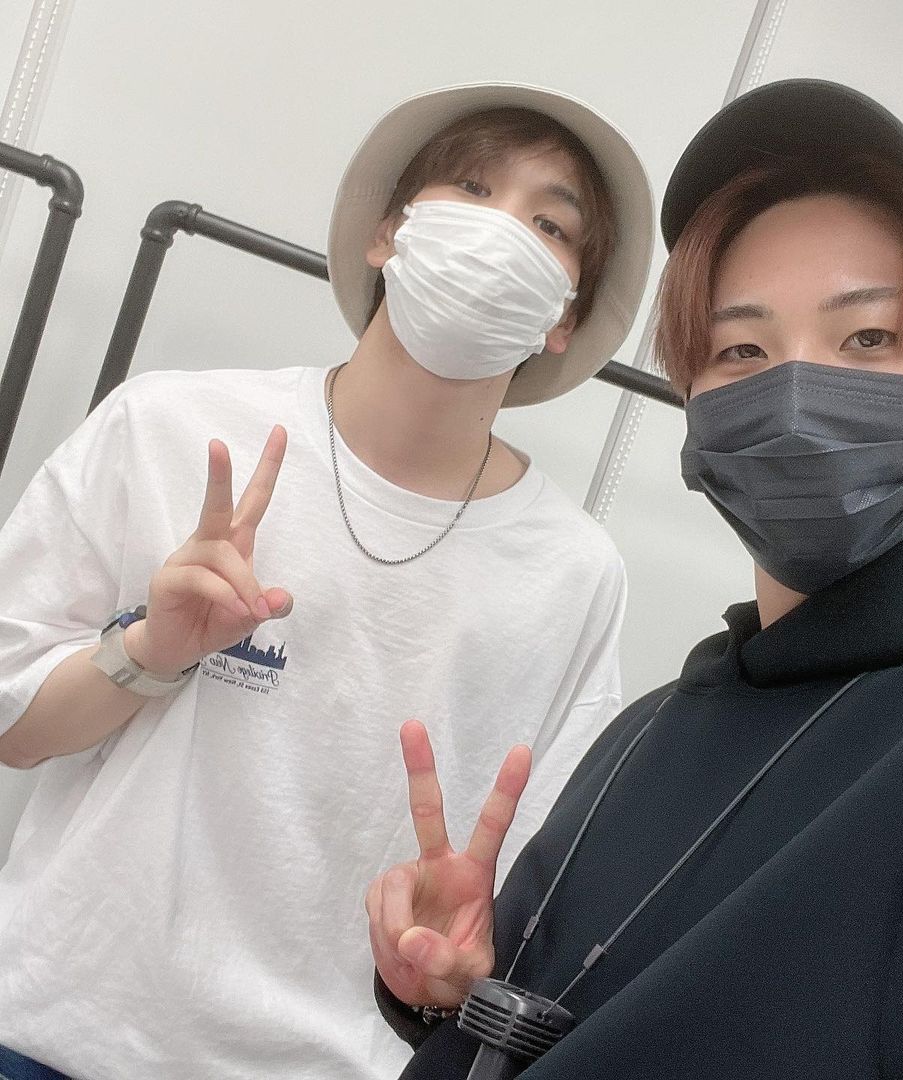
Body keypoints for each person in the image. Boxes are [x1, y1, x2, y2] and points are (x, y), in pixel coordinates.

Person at [366, 79, 903, 1079]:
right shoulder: (653, 727)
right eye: (742, 348)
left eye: (868, 338)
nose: (792, 394)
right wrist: (453, 1002)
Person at [0, 83, 653, 1079]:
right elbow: (13, 730)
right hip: (56, 1032)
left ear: (564, 317)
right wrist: (149, 652)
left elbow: (509, 912)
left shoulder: (571, 573)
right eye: (473, 188)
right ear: (388, 233)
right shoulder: (169, 428)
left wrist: (451, 978)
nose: (499, 233)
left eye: (550, 225)